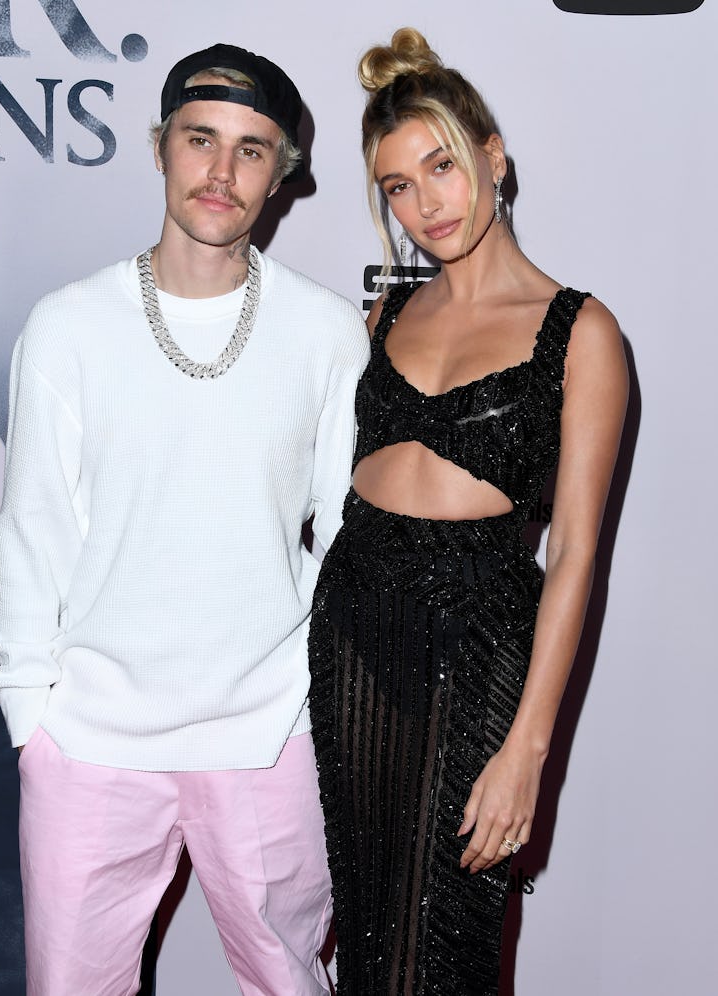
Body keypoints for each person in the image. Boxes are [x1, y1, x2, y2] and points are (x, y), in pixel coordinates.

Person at [0, 42, 369, 996]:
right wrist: (35, 721)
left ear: (280, 176)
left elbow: (347, 538)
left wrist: (304, 696)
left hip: (266, 734)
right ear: (161, 147)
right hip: (92, 741)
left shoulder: (325, 334)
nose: (222, 172)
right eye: (202, 139)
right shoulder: (69, 327)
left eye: (252, 150)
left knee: (291, 981)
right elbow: (33, 537)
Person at [308, 27, 628, 995]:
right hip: (354, 636)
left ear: (493, 157)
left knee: (440, 950)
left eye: (438, 166)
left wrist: (528, 750)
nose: (420, 204)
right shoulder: (386, 312)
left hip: (477, 648)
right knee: (367, 935)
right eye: (396, 186)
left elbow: (572, 551)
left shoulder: (582, 333)